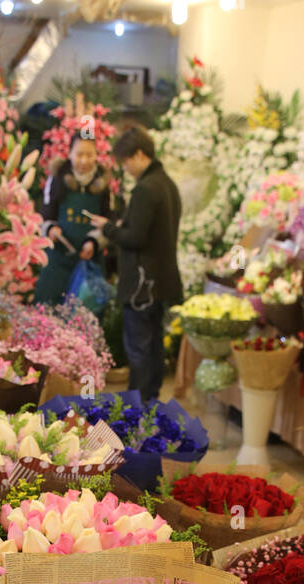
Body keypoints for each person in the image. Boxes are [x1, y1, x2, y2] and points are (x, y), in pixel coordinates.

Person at [88, 125, 182, 401]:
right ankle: (150, 404)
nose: (126, 168)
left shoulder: (146, 189)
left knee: (139, 350)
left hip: (142, 285)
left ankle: (136, 408)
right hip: (159, 282)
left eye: (127, 160)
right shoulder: (167, 185)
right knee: (153, 348)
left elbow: (136, 237)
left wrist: (108, 230)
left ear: (140, 155)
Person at [33, 134, 113, 306]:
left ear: (96, 155)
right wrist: (51, 229)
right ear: (69, 153)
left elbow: (109, 220)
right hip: (58, 258)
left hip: (89, 261)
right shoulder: (58, 177)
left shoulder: (103, 183)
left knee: (84, 314)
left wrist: (93, 242)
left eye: (89, 155)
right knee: (47, 307)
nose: (84, 160)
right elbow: (45, 214)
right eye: (79, 155)